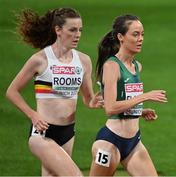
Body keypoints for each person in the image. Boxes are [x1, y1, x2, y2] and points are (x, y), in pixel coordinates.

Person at [6, 7, 103, 176]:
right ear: (58, 30)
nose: (78, 34)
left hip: (67, 132)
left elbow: (88, 99)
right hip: (42, 134)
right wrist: (33, 115)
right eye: (72, 30)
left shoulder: (83, 61)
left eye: (80, 30)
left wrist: (95, 101)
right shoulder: (40, 59)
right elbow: (12, 91)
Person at [89, 14, 167, 176]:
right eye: (135, 34)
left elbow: (125, 100)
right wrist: (144, 96)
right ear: (120, 37)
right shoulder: (112, 66)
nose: (140, 39)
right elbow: (110, 108)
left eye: (142, 34)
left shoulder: (136, 66)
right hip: (110, 142)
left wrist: (140, 111)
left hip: (133, 143)